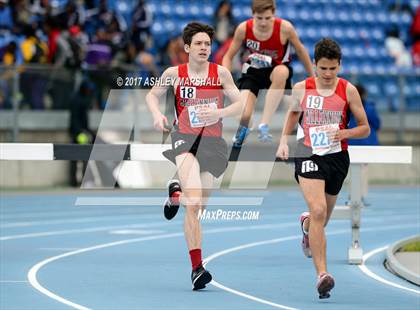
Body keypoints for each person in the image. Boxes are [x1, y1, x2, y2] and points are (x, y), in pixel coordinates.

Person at [145, 22, 242, 290]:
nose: (203, 48)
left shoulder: (220, 73)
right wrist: (157, 114)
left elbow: (241, 103)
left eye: (207, 44)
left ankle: (175, 194)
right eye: (198, 44)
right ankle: (197, 269)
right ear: (187, 47)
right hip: (185, 140)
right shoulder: (174, 73)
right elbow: (151, 97)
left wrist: (219, 114)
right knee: (196, 200)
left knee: (198, 207)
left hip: (212, 142)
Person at [276, 38, 370, 299]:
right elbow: (293, 116)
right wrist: (284, 140)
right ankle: (322, 275)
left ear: (339, 65)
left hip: (337, 158)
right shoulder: (301, 88)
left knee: (322, 219)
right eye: (323, 69)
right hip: (307, 153)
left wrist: (344, 132)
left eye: (333, 69)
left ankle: (306, 226)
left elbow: (365, 128)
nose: (328, 74)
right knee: (317, 210)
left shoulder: (348, 90)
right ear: (315, 65)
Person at [222, 0, 313, 146]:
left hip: (277, 72)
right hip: (253, 73)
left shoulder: (285, 28)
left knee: (282, 72)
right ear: (253, 15)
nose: (263, 23)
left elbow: (301, 51)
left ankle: (264, 124)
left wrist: (313, 77)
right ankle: (246, 126)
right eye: (259, 18)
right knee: (244, 115)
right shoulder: (244, 29)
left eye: (268, 18)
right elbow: (228, 56)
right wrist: (226, 79)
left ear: (274, 15)